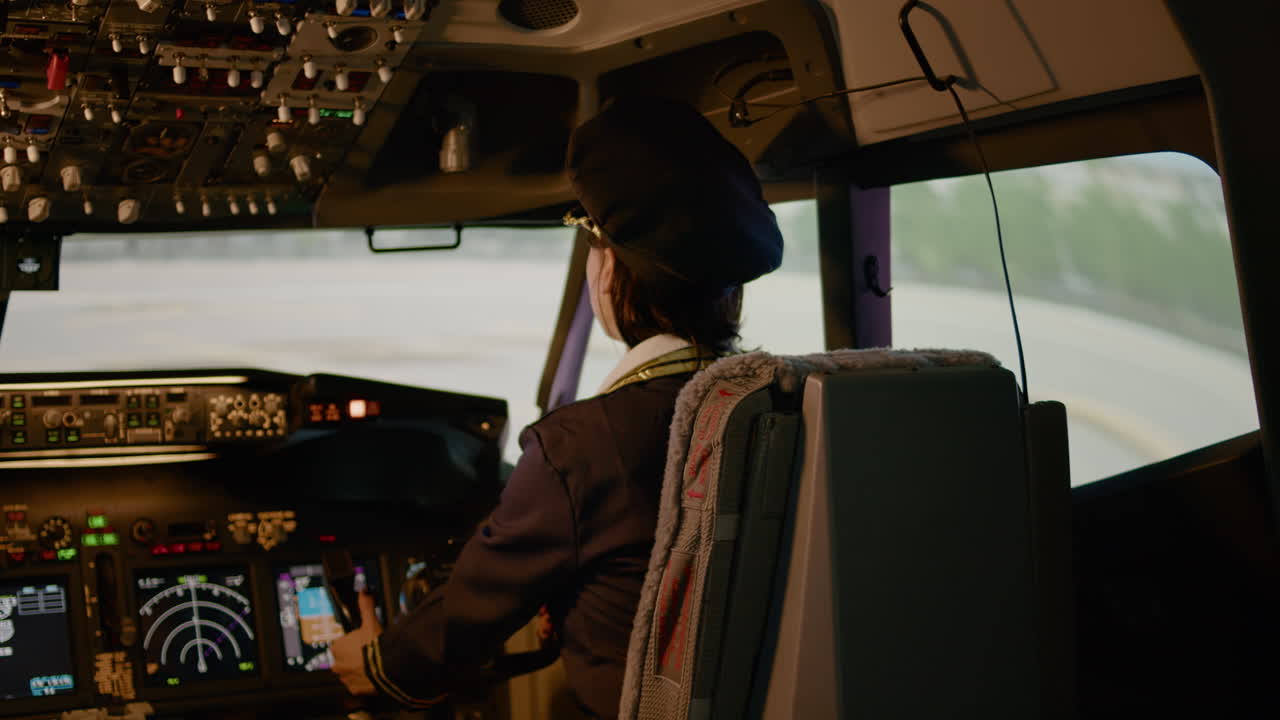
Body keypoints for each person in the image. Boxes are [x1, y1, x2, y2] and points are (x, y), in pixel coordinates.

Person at [331, 96, 784, 719]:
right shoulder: (781, 406)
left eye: (592, 243)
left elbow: (467, 617)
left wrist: (378, 664)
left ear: (613, 269)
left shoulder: (585, 445)